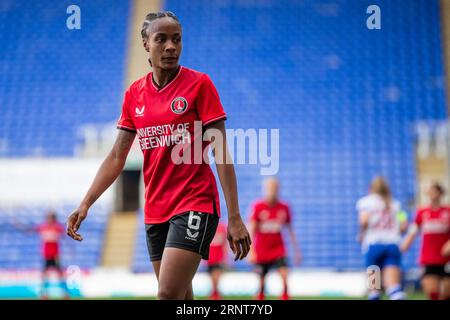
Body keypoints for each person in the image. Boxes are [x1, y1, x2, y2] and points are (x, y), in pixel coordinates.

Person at [66, 11, 251, 300]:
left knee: (166, 293)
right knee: (181, 297)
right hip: (155, 209)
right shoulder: (134, 95)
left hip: (195, 202)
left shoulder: (199, 85)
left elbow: (222, 153)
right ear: (145, 44)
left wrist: (235, 217)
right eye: (161, 39)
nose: (170, 46)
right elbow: (117, 157)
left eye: (176, 40)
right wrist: (86, 203)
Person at [249, 177, 301, 300]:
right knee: (261, 279)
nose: (272, 191)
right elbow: (251, 230)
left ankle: (285, 295)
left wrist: (296, 251)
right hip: (262, 249)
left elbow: (290, 229)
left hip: (278, 248)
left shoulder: (284, 207)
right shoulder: (258, 207)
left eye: (275, 188)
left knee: (284, 273)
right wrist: (251, 251)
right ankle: (260, 296)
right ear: (265, 189)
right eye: (270, 188)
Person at [356, 176, 408, 300]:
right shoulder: (395, 204)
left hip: (374, 244)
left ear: (371, 188)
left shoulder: (366, 202)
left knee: (374, 289)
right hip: (393, 245)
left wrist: (361, 234)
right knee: (394, 288)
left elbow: (363, 221)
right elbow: (404, 225)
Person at [401, 182, 450, 300]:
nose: (432, 194)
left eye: (435, 191)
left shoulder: (447, 211)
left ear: (440, 193)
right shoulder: (422, 212)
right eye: (430, 191)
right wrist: (403, 247)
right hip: (429, 257)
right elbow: (413, 231)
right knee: (432, 292)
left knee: (446, 294)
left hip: (446, 258)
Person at [14, 211, 69, 299]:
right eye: (48, 217)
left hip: (55, 256)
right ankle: (44, 294)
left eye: (50, 217)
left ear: (54, 218)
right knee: (45, 275)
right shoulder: (43, 227)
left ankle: (65, 293)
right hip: (46, 256)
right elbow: (30, 230)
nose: (48, 219)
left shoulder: (57, 228)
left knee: (60, 275)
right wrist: (19, 225)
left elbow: (66, 235)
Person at [206, 222, 228, 300]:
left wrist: (225, 256)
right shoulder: (208, 226)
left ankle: (215, 293)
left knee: (216, 276)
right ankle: (215, 293)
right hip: (209, 257)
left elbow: (224, 243)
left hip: (218, 257)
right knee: (212, 276)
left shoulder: (221, 227)